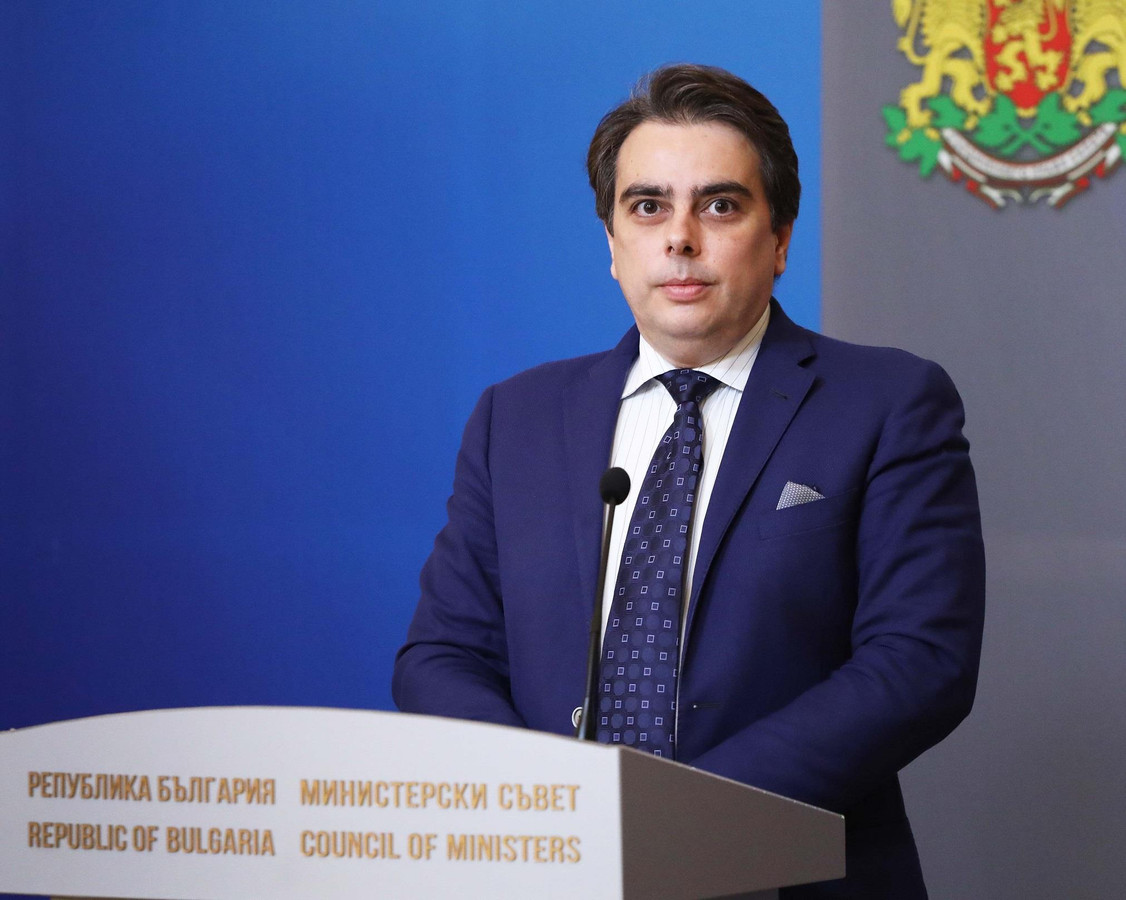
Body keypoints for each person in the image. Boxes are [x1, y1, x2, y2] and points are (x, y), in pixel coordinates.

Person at [393, 63, 985, 899]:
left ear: (780, 239)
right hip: (555, 871)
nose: (680, 237)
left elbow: (920, 662)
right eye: (647, 206)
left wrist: (682, 819)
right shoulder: (515, 417)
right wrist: (548, 809)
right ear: (611, 243)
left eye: (720, 205)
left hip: (785, 872)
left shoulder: (887, 402)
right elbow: (441, 656)